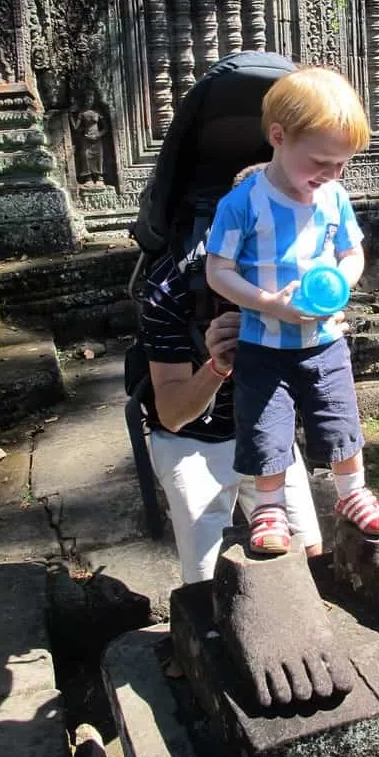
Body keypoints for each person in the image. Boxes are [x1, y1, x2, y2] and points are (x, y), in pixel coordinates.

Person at [206, 66, 379, 555]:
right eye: (321, 161)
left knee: (339, 418)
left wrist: (341, 285)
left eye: (342, 165)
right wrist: (267, 303)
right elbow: (218, 271)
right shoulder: (242, 204)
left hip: (325, 341)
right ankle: (269, 509)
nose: (332, 175)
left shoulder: (334, 197)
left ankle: (352, 495)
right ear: (279, 137)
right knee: (265, 425)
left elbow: (351, 254)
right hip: (263, 344)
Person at [140, 248, 323, 584]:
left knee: (309, 555)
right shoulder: (171, 283)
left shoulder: (291, 267)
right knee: (206, 581)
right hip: (192, 438)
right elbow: (172, 414)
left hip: (265, 425)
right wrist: (219, 366)